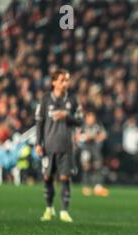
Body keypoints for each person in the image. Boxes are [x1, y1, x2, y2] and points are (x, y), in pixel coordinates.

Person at [35, 69, 83, 222]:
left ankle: (64, 211)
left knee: (65, 178)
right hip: (49, 146)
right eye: (62, 80)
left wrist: (67, 116)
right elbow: (39, 123)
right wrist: (38, 143)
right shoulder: (45, 100)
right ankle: (49, 208)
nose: (65, 83)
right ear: (54, 82)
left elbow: (80, 120)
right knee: (47, 178)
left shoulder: (73, 100)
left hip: (66, 146)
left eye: (67, 80)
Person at [76, 111, 109, 197]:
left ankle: (97, 187)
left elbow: (104, 135)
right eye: (90, 117)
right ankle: (86, 187)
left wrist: (97, 137)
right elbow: (77, 137)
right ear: (87, 118)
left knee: (98, 166)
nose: (91, 119)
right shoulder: (82, 126)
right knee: (86, 167)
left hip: (95, 148)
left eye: (93, 118)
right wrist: (84, 137)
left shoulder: (97, 126)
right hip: (85, 148)